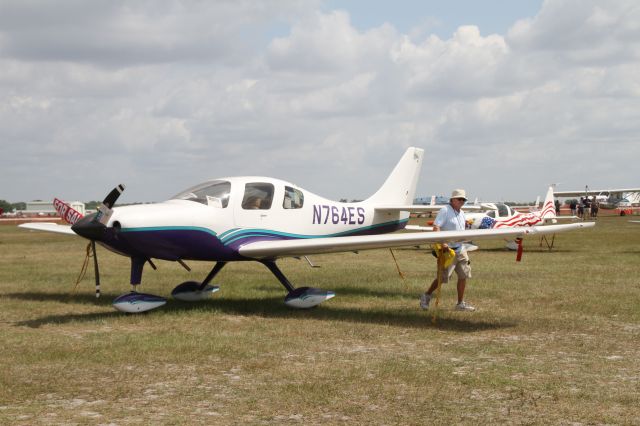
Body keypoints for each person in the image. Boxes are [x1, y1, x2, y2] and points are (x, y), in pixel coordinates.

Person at [420, 189, 475, 312]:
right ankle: (426, 295)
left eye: (464, 199)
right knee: (442, 278)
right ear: (452, 200)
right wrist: (442, 242)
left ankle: (460, 303)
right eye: (459, 199)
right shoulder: (445, 210)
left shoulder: (461, 213)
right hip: (447, 251)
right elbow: (436, 227)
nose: (462, 201)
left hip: (461, 249)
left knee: (463, 275)